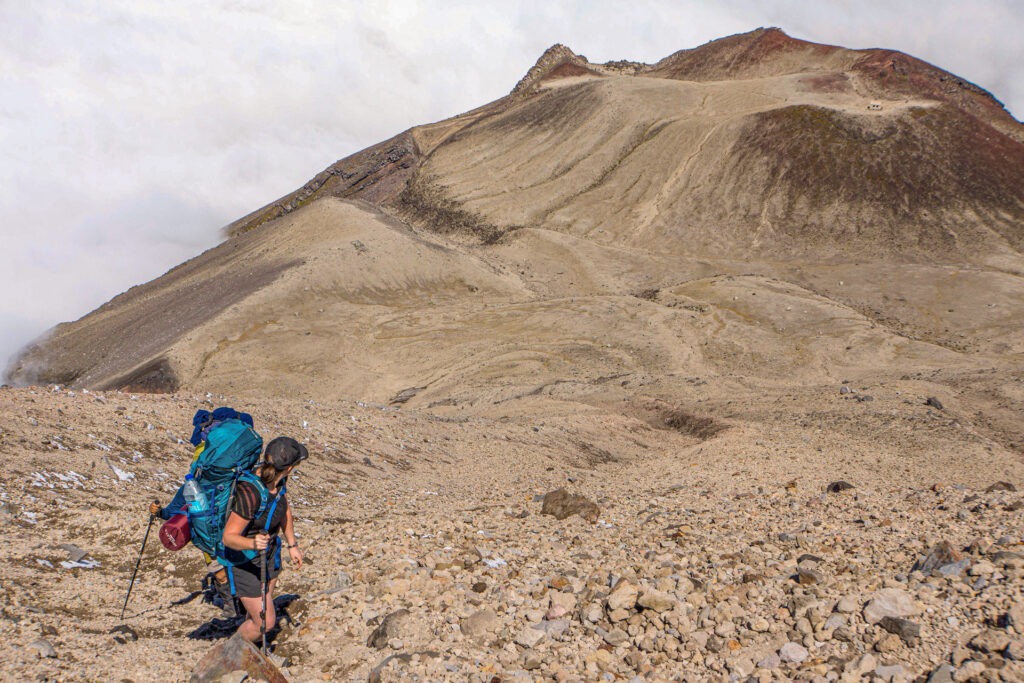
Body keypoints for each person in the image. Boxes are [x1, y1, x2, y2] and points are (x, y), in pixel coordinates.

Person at [221, 436, 307, 643]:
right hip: (245, 560)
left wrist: (292, 545)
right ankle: (230, 652)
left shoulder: (278, 483)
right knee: (265, 623)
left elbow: (282, 508)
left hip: (268, 553)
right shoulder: (250, 493)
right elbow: (228, 537)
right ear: (288, 468)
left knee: (261, 607)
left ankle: (251, 644)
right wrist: (252, 543)